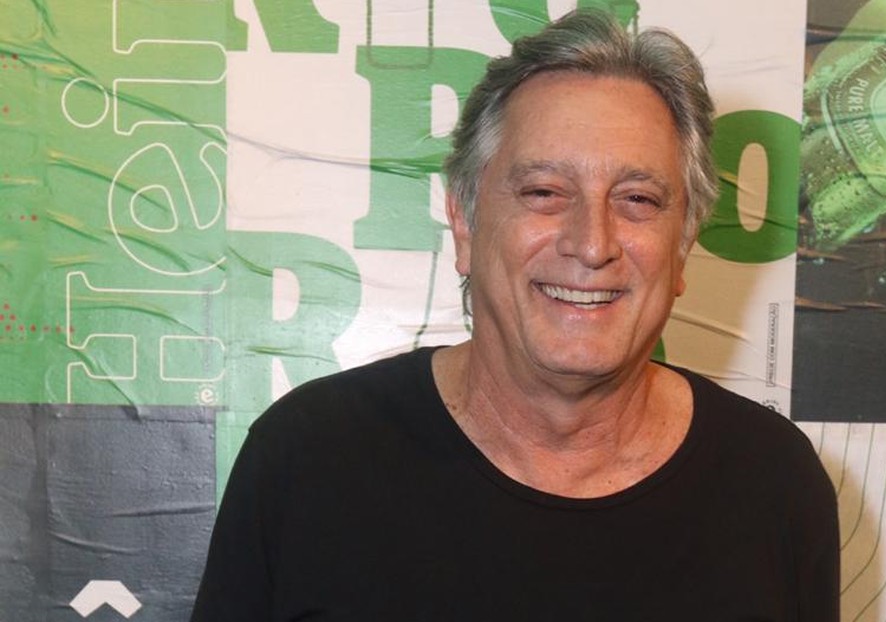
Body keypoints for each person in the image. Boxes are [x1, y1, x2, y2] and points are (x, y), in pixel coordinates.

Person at [190, 9, 839, 621]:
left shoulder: (774, 483)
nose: (592, 244)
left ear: (684, 243)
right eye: (544, 192)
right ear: (465, 222)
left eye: (638, 199)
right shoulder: (308, 458)